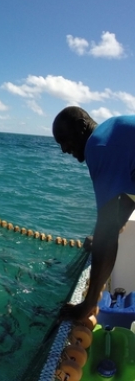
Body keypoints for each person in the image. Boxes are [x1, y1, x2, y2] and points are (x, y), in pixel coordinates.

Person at [53, 106, 135, 321]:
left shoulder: (98, 145)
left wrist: (87, 305)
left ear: (81, 126)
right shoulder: (113, 133)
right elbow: (127, 196)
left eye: (64, 139)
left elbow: (106, 231)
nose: (63, 149)